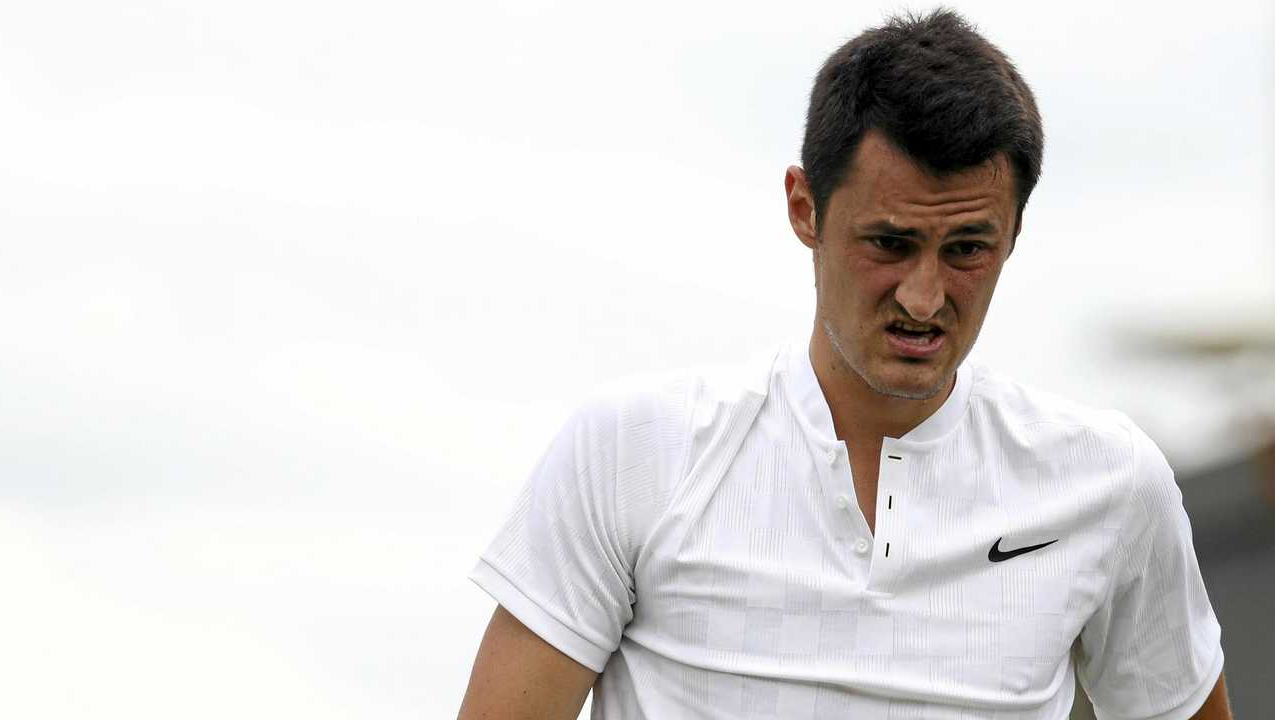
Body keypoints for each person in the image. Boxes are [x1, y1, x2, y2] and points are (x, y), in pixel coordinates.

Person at [456, 8, 1231, 719]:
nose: (925, 299)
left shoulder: (1111, 482)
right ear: (805, 208)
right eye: (890, 244)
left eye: (967, 249)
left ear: (1015, 232)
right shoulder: (636, 449)